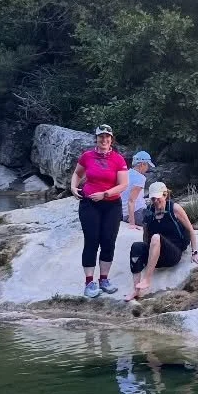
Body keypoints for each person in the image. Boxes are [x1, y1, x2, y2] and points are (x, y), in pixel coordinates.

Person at [70, 124, 129, 298]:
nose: (104, 140)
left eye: (107, 137)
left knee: (108, 241)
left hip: (111, 205)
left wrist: (105, 194)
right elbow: (77, 173)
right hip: (90, 204)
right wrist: (73, 187)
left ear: (111, 139)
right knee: (91, 241)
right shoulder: (87, 156)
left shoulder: (118, 159)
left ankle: (104, 279)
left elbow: (123, 185)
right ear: (96, 138)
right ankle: (89, 282)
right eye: (101, 136)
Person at [127, 182, 198, 299]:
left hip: (173, 253)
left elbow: (191, 230)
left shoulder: (174, 209)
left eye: (158, 198)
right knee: (136, 246)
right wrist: (145, 252)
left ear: (165, 195)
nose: (155, 201)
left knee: (156, 237)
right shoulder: (149, 211)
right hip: (155, 254)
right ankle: (136, 289)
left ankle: (147, 279)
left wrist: (195, 252)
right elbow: (145, 235)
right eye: (153, 199)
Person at [122, 151, 154, 228]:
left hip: (123, 212)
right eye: (147, 165)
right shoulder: (140, 178)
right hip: (137, 212)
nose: (147, 168)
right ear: (142, 164)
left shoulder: (127, 173)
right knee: (160, 222)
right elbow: (131, 200)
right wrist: (132, 223)